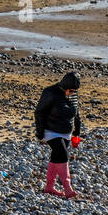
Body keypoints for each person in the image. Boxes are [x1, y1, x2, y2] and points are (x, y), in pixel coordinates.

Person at [34, 71, 82, 199]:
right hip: (50, 130)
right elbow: (39, 112)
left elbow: (76, 113)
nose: (72, 93)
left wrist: (77, 132)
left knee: (56, 158)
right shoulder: (50, 92)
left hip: (66, 131)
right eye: (70, 90)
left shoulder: (73, 94)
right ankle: (67, 188)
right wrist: (40, 133)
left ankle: (49, 188)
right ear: (64, 86)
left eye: (74, 91)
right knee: (63, 154)